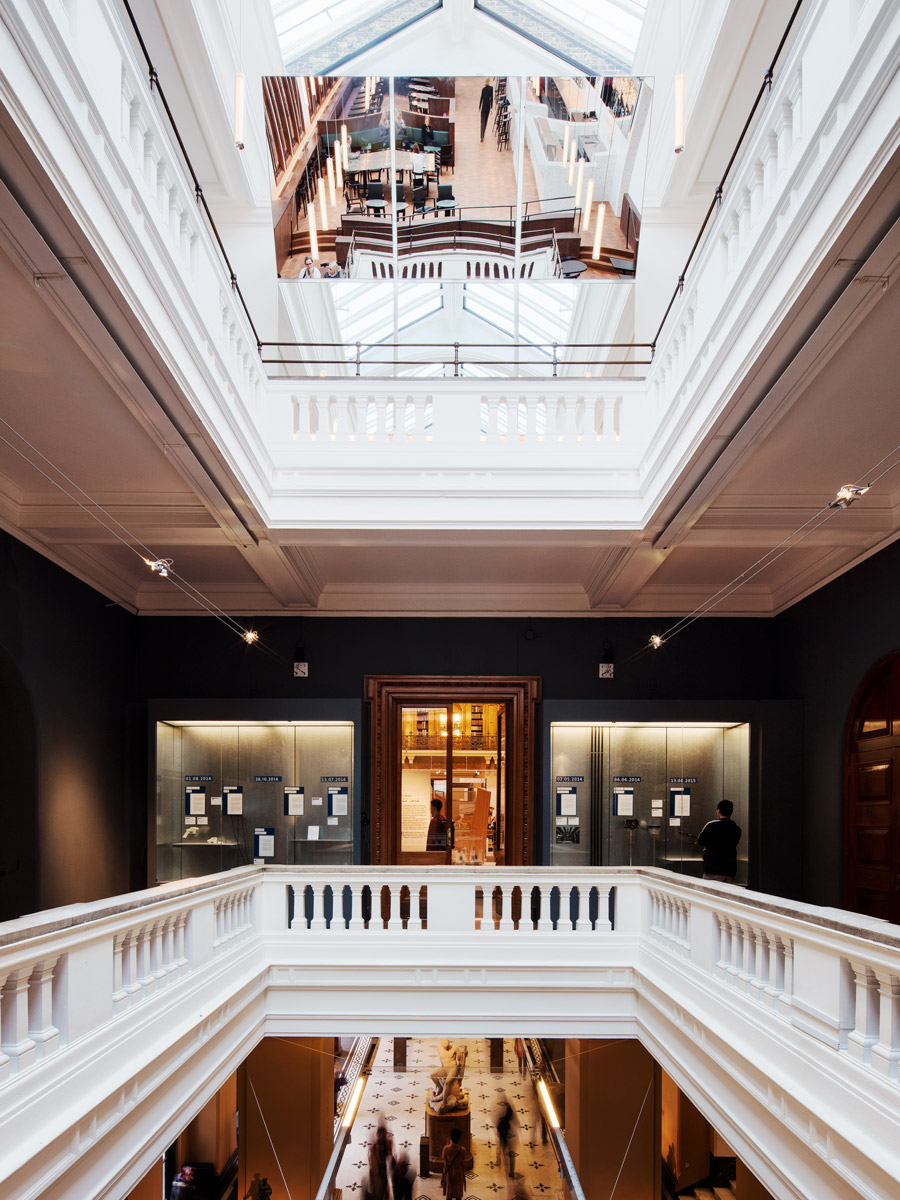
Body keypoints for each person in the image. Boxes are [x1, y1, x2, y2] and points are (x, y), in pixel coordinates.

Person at [697, 799, 742, 883]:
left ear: (718, 811)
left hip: (713, 868)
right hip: (729, 869)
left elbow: (700, 841)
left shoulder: (711, 825)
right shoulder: (736, 829)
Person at [366, 1120, 394, 1200]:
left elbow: (390, 1154)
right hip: (377, 1171)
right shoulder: (375, 1147)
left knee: (383, 1186)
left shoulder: (384, 1144)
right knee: (379, 1189)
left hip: (381, 1169)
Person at [495, 1094, 518, 1177]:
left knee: (503, 1149)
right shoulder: (508, 1109)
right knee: (510, 1153)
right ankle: (511, 1171)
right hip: (509, 1134)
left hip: (504, 1134)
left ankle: (499, 1160)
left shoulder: (501, 1111)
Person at [441, 1127, 467, 1200]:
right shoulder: (463, 1150)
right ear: (459, 1138)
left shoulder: (446, 1148)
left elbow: (443, 1158)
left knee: (449, 1193)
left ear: (451, 1137)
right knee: (458, 1194)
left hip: (449, 1173)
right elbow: (463, 1159)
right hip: (459, 1173)